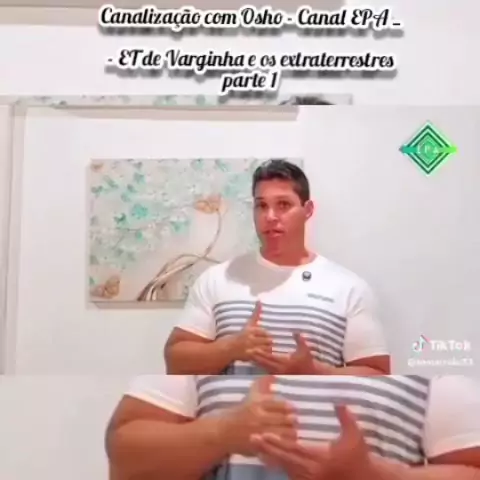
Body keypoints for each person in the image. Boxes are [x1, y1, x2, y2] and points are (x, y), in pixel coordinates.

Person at [164, 159, 390, 375]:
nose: (270, 216)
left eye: (283, 205)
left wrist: (317, 372)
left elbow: (377, 374)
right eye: (261, 205)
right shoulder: (216, 279)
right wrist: (231, 348)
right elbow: (175, 363)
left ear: (308, 210)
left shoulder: (348, 288)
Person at [105, 374, 480, 480]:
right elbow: (124, 461)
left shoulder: (438, 384)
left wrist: (377, 474)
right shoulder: (191, 374)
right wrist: (223, 433)